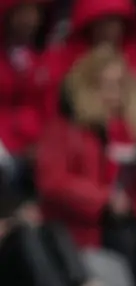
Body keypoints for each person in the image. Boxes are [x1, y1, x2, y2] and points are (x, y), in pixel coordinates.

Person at [37, 44, 136, 269]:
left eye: (120, 85)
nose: (115, 94)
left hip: (124, 222)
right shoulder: (64, 129)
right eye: (108, 85)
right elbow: (53, 183)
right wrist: (104, 199)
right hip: (80, 228)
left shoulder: (126, 130)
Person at [38, 0, 136, 116]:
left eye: (113, 20)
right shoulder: (62, 65)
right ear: (89, 24)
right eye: (101, 22)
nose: (107, 29)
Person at [0, 0, 50, 176]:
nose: (30, 20)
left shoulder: (43, 61)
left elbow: (47, 107)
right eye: (23, 13)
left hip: (36, 146)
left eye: (34, 13)